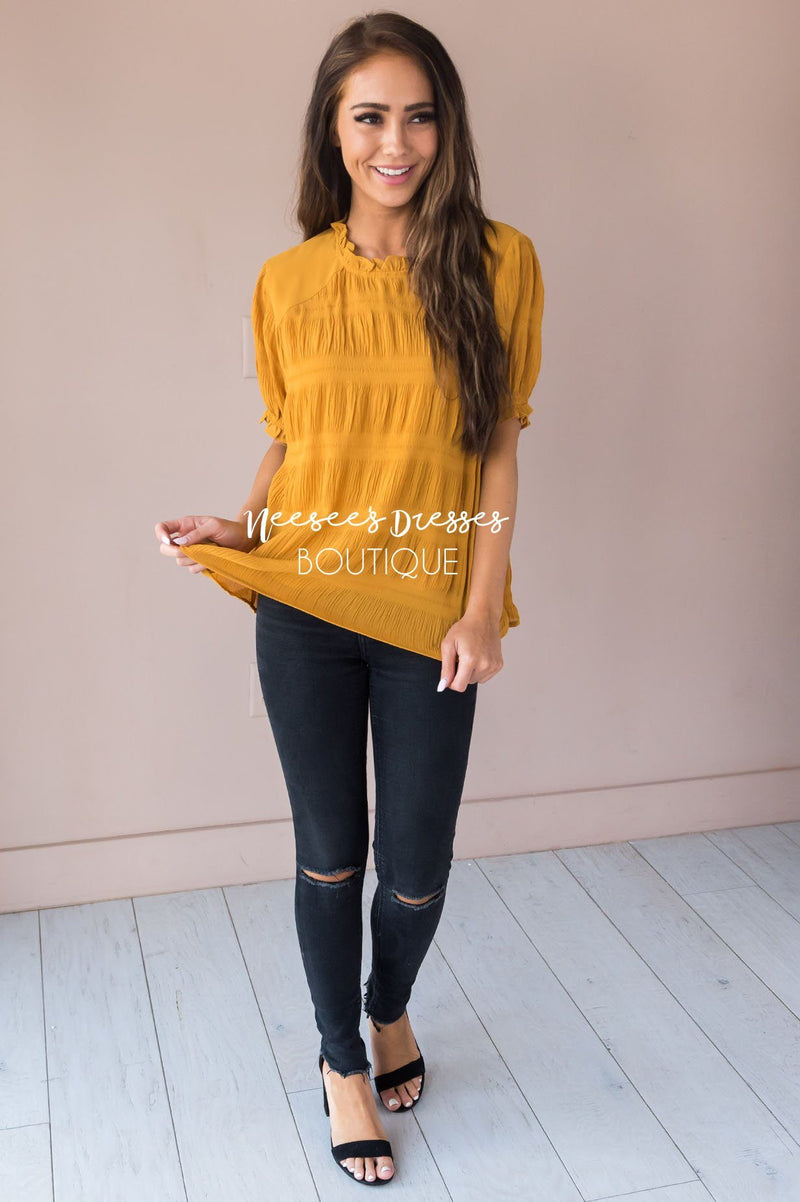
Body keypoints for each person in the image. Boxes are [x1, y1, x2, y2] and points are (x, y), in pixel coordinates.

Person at [155, 11, 544, 1188]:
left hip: (427, 609)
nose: (396, 141)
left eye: (418, 116)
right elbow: (293, 435)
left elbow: (496, 448)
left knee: (414, 863)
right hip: (305, 608)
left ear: (445, 127)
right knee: (330, 854)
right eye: (369, 116)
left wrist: (477, 608)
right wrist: (245, 521)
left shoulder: (500, 261)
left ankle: (387, 1006)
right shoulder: (287, 280)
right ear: (332, 132)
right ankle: (340, 1059)